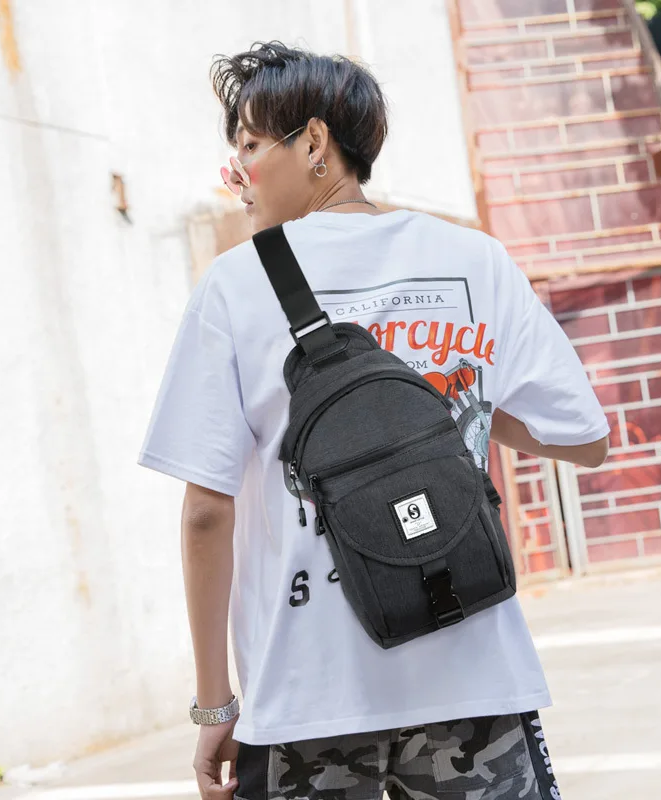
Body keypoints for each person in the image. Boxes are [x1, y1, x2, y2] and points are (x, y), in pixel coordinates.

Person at [139, 41, 609, 800]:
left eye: (250, 147)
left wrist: (216, 704)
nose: (237, 174)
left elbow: (205, 513)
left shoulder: (234, 286)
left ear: (314, 143)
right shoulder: (475, 259)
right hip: (474, 681)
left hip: (306, 697)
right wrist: (456, 397)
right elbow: (584, 438)